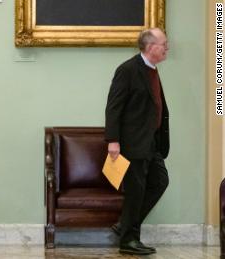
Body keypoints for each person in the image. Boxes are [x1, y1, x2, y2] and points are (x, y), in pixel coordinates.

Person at [104, 28, 170, 256]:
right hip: (133, 143)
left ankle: (125, 225)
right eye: (164, 44)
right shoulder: (128, 70)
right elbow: (114, 107)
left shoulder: (152, 70)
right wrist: (113, 140)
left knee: (159, 182)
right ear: (151, 47)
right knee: (135, 192)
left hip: (152, 143)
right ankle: (128, 241)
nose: (167, 48)